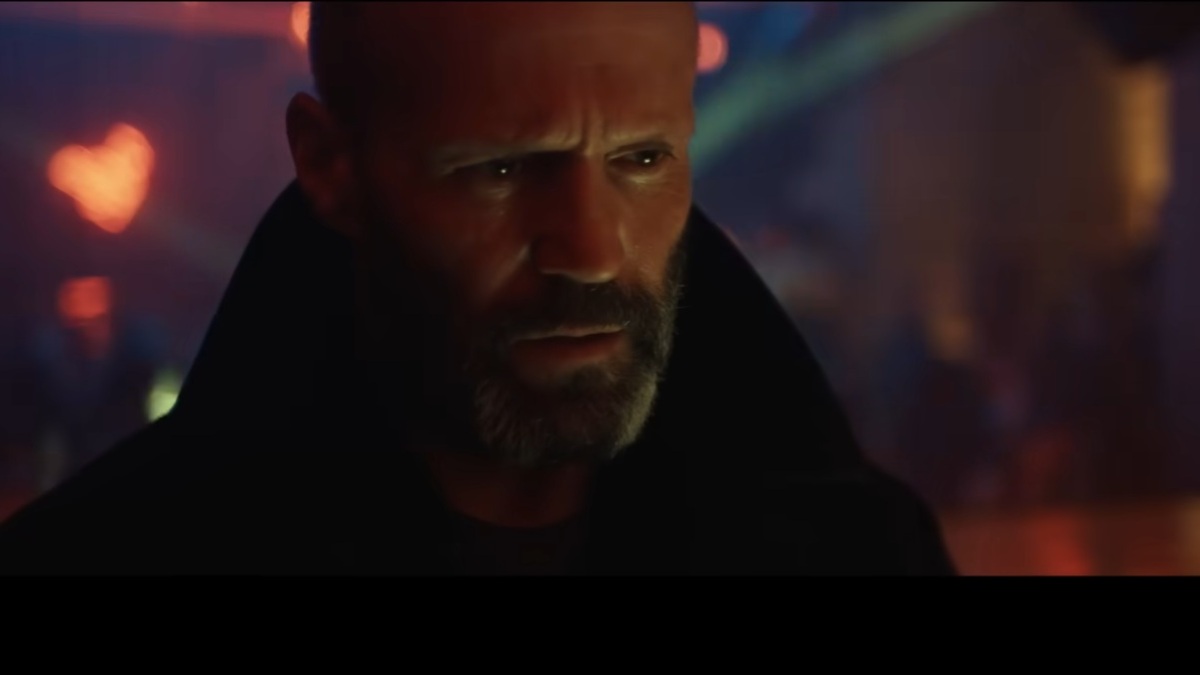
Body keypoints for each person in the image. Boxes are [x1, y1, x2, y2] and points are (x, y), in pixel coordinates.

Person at [0, 2, 954, 575]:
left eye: (642, 158)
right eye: (500, 170)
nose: (589, 249)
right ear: (330, 167)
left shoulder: (860, 549)